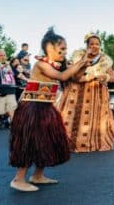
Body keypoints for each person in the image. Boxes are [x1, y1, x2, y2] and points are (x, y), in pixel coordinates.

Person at [9, 28, 90, 192]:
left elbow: (75, 77)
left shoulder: (59, 65)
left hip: (46, 107)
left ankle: (37, 175)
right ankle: (18, 179)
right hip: (31, 108)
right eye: (62, 49)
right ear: (49, 48)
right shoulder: (41, 64)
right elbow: (62, 77)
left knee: (46, 141)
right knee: (29, 142)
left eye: (65, 49)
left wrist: (83, 64)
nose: (64, 52)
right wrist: (81, 62)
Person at [58, 33, 114, 152]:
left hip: (97, 93)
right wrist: (88, 73)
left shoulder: (105, 60)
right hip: (77, 91)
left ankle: (95, 143)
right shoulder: (79, 57)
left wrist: (105, 77)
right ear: (87, 46)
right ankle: (70, 143)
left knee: (97, 119)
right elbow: (74, 75)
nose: (95, 46)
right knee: (73, 117)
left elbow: (112, 76)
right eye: (92, 44)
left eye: (97, 44)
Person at [0, 50, 18, 129]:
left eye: (4, 55)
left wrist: (28, 80)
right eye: (1, 55)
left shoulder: (9, 65)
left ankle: (13, 123)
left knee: (12, 107)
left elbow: (18, 74)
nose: (3, 57)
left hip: (10, 90)